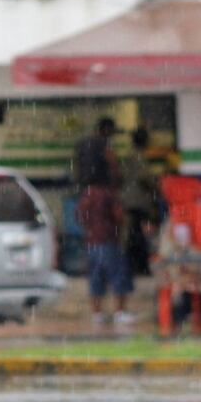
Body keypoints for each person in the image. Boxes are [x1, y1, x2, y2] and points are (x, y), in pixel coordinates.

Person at [74, 116, 134, 326]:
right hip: (109, 239)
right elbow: (118, 216)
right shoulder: (108, 193)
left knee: (95, 279)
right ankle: (120, 312)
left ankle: (97, 314)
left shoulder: (87, 193)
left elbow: (80, 217)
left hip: (91, 242)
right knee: (118, 276)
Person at [120, 126, 159, 275]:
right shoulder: (139, 156)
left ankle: (133, 266)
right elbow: (144, 178)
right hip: (138, 201)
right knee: (138, 235)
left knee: (132, 234)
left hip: (127, 200)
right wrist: (156, 187)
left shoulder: (128, 156)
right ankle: (141, 267)